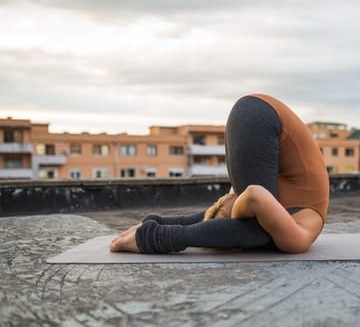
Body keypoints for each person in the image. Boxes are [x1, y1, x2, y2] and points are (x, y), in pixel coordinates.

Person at [109, 94, 329, 254]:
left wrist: (156, 224)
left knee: (256, 228)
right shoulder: (296, 239)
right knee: (258, 233)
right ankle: (151, 238)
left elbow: (247, 199)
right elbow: (254, 195)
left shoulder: (292, 217)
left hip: (253, 112)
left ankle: (151, 229)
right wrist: (238, 211)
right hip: (261, 118)